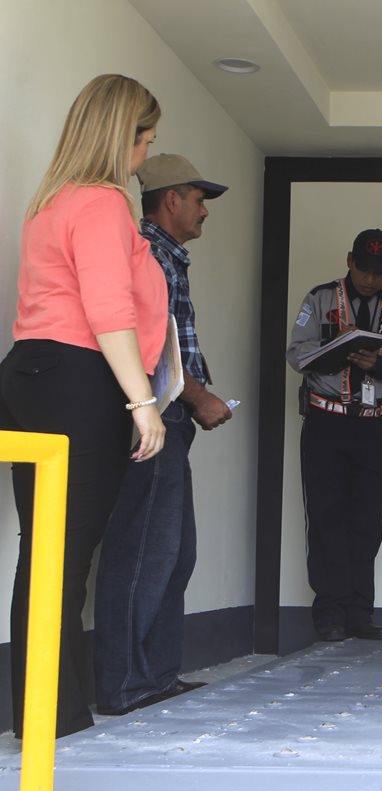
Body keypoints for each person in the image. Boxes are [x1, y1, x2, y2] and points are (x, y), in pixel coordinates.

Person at [0, 74, 166, 738]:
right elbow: (109, 312)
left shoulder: (51, 202)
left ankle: (39, 712)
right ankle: (54, 720)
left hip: (33, 374)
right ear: (119, 135)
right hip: (78, 379)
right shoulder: (101, 204)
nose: (147, 156)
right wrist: (143, 402)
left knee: (43, 551)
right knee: (65, 557)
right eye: (145, 140)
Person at [92, 155, 232, 715]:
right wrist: (198, 397)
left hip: (169, 418)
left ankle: (154, 675)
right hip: (155, 417)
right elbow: (151, 346)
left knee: (174, 552)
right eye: (199, 199)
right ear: (171, 200)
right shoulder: (148, 253)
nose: (204, 211)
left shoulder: (169, 256)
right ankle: (124, 683)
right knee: (144, 548)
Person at [286, 229, 382, 642]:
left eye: (379, 273)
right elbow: (296, 353)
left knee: (367, 520)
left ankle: (359, 614)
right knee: (326, 517)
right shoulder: (320, 300)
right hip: (327, 421)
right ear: (350, 261)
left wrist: (380, 367)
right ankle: (328, 613)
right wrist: (336, 356)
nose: (370, 280)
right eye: (364, 269)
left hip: (377, 423)